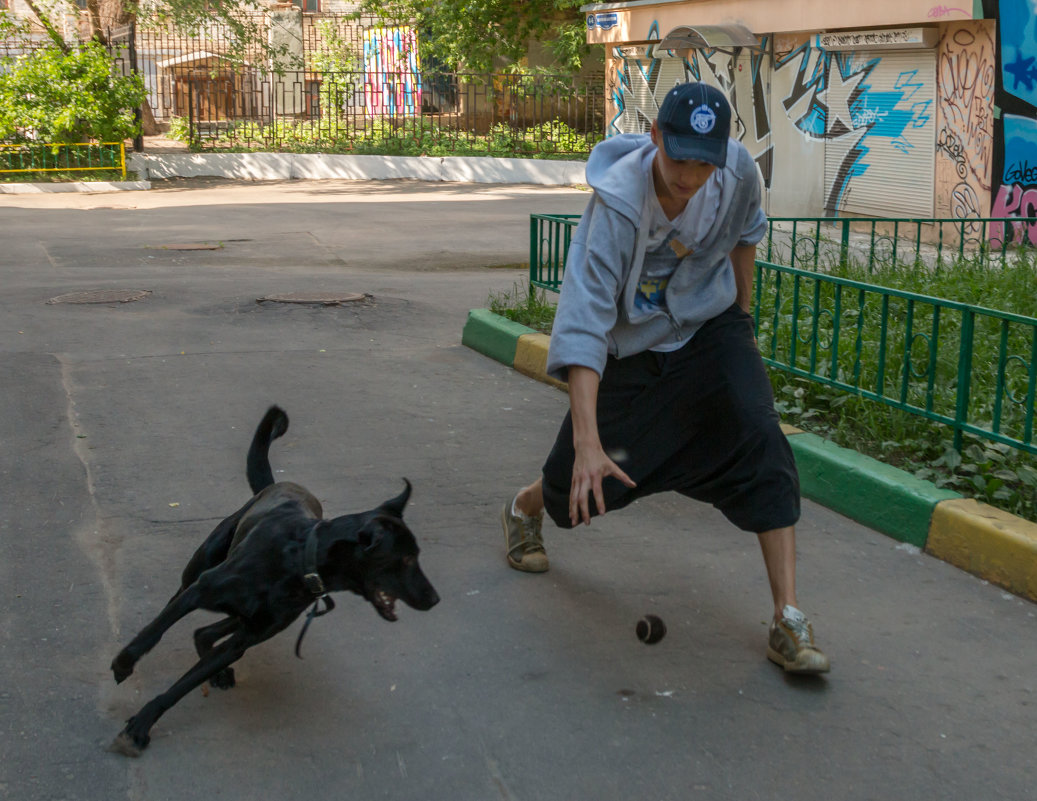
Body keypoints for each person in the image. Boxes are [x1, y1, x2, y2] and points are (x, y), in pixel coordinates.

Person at [500, 82, 829, 674]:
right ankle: (524, 507)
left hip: (710, 327)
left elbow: (748, 236)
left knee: (761, 437)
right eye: (678, 158)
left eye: (704, 161)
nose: (689, 175)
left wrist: (742, 325)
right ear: (655, 138)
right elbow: (584, 322)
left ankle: (788, 618)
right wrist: (587, 443)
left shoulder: (736, 175)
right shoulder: (616, 204)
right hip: (635, 347)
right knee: (573, 495)